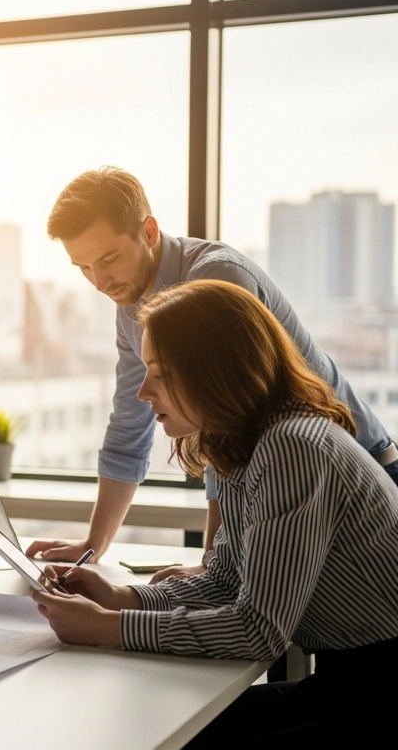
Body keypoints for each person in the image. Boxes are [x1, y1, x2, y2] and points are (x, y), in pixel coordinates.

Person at [31, 279, 398, 747]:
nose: (144, 392)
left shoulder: (293, 447)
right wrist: (122, 598)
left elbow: (257, 631)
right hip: (344, 681)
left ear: (216, 371)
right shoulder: (244, 444)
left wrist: (108, 627)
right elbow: (226, 580)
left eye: (160, 373)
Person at [27, 166, 397, 579]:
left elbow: (230, 423)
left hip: (358, 476)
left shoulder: (219, 277)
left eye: (109, 259)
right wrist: (93, 546)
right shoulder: (129, 305)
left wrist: (211, 567)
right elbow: (129, 423)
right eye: (84, 268)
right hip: (291, 484)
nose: (99, 281)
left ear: (149, 232)